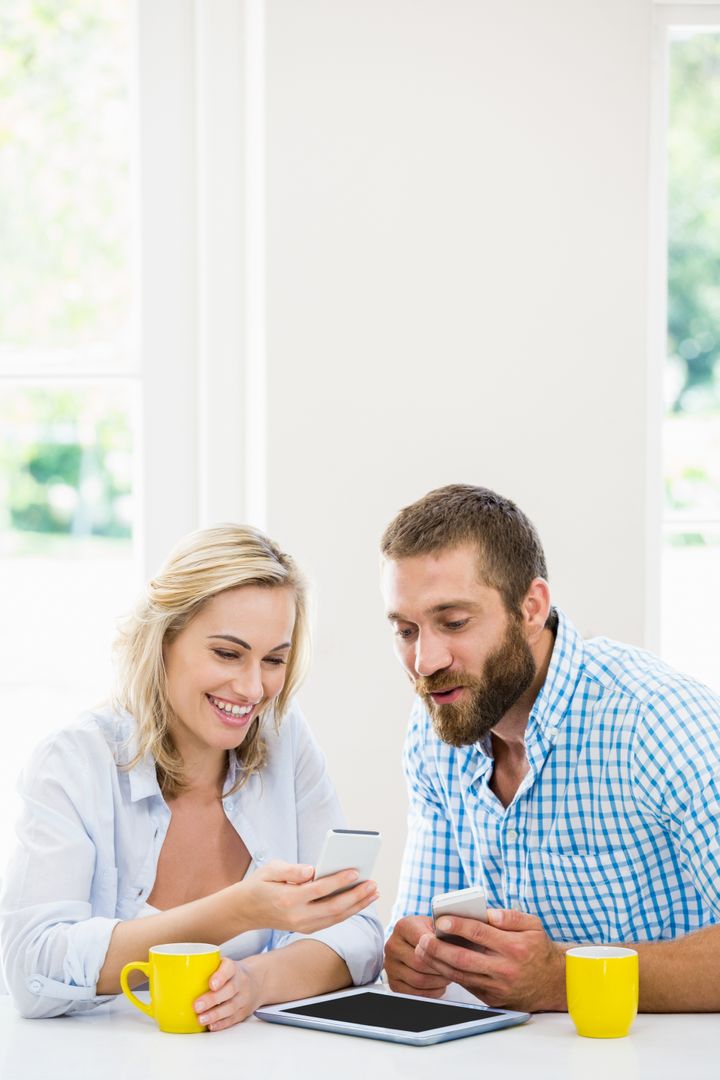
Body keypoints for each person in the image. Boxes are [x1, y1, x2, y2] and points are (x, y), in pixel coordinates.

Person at [1, 524, 382, 1023]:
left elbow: (358, 934)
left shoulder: (284, 740)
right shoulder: (77, 760)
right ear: (163, 640)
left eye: (273, 660)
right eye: (227, 653)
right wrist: (237, 911)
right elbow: (33, 968)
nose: (251, 688)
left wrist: (256, 981)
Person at [381, 484, 720, 1013]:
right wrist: (414, 958)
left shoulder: (655, 722)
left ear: (532, 607)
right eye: (406, 630)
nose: (424, 660)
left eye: (453, 623)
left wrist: (564, 979)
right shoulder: (436, 730)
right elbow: (428, 926)